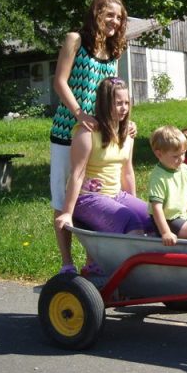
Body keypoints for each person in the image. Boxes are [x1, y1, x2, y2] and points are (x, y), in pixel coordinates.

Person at [50, 0, 129, 274]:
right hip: (67, 131)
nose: (115, 22)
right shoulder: (75, 40)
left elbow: (115, 91)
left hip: (99, 135)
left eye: (119, 17)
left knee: (94, 197)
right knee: (63, 198)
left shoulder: (115, 50)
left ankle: (93, 261)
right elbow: (60, 81)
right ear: (96, 13)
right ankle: (67, 263)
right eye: (109, 15)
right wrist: (79, 114)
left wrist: (124, 122)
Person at [55, 77, 153, 275]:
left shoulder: (127, 132)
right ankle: (125, 274)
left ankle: (148, 271)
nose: (124, 108)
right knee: (129, 221)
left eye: (126, 102)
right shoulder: (87, 131)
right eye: (118, 103)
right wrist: (67, 211)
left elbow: (127, 170)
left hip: (116, 195)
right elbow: (77, 172)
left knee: (152, 218)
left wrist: (132, 200)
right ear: (105, 103)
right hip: (88, 198)